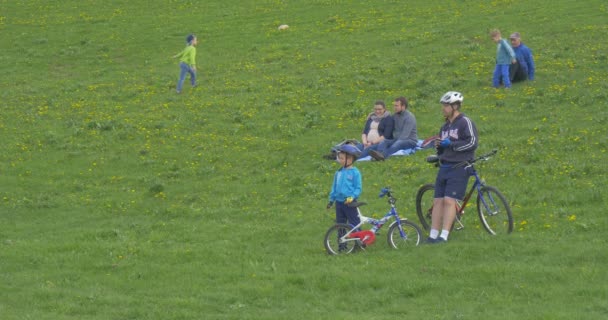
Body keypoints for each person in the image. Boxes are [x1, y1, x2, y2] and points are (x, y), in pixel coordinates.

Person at [427, 91, 478, 243]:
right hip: (445, 166)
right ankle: (433, 235)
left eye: (446, 105)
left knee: (449, 201)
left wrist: (452, 145)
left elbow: (472, 143)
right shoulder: (444, 127)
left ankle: (444, 236)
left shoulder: (465, 122)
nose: (443, 108)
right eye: (443, 105)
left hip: (460, 166)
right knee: (438, 201)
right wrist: (439, 147)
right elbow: (444, 149)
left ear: (455, 106)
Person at [367, 96, 417, 161]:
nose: (394, 108)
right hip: (397, 139)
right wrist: (372, 114)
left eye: (396, 106)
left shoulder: (409, 117)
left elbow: (404, 136)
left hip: (409, 141)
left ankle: (383, 156)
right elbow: (385, 115)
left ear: (403, 106)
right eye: (394, 106)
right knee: (384, 141)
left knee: (398, 143)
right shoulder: (395, 115)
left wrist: (393, 142)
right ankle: (378, 154)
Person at [327, 145, 363, 233]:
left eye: (342, 158)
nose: (340, 160)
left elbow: (358, 188)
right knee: (340, 225)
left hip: (350, 203)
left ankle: (359, 242)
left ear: (350, 159)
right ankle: (342, 245)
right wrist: (331, 201)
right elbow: (334, 188)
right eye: (339, 158)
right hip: (339, 203)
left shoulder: (355, 173)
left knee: (354, 223)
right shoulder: (338, 172)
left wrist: (352, 197)